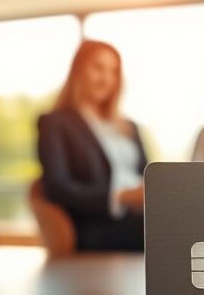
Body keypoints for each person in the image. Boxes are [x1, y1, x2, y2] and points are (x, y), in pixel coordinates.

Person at [37, 40, 146, 252]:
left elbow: (149, 173)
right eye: (98, 68)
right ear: (78, 71)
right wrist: (121, 197)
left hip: (140, 216)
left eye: (113, 71)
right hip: (95, 226)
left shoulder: (128, 127)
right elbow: (57, 187)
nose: (106, 79)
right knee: (171, 234)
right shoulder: (56, 123)